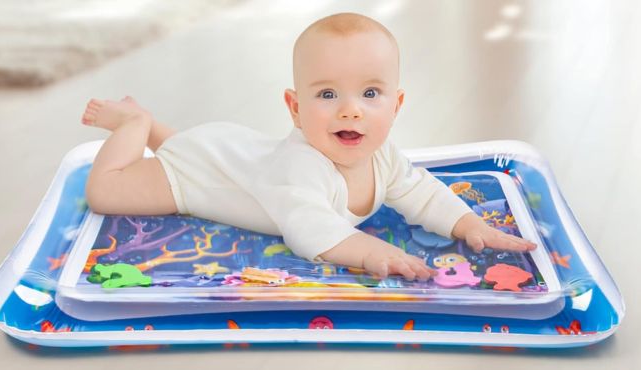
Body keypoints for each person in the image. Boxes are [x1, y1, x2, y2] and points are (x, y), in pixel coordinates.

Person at [81, 13, 536, 280]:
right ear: (295, 108)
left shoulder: (383, 157)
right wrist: (373, 253)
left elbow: (420, 191)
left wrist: (468, 223)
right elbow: (310, 231)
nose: (350, 111)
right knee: (106, 190)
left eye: (370, 94)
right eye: (327, 95)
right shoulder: (302, 167)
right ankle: (135, 123)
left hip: (226, 149)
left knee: (195, 147)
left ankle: (161, 131)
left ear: (396, 105)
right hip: (195, 174)